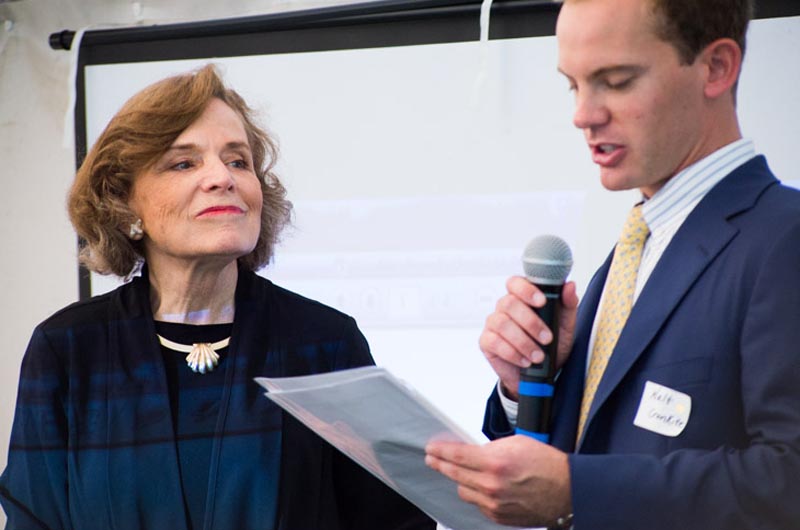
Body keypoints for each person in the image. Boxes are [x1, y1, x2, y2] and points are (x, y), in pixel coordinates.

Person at [0, 64, 435, 530]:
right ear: (125, 203)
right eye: (184, 162)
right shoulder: (68, 348)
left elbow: (396, 522)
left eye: (238, 161)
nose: (222, 178)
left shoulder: (324, 342)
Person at [425, 0, 800, 529]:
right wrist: (527, 389)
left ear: (717, 67)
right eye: (574, 85)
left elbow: (790, 480)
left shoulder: (785, 237)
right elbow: (591, 450)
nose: (583, 114)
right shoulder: (636, 248)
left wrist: (574, 489)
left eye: (617, 81)